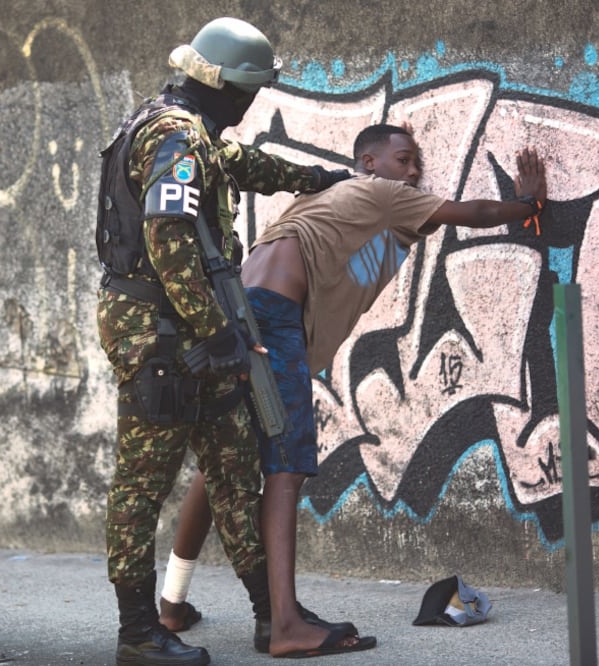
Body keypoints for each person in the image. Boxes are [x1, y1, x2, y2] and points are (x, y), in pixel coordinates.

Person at [160, 123, 548, 658]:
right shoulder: (379, 194)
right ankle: (287, 625)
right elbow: (475, 214)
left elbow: (364, 265)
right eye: (404, 159)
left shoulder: (332, 199)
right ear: (369, 163)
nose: (413, 172)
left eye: (417, 164)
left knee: (220, 461)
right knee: (287, 466)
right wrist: (526, 205)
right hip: (273, 319)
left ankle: (172, 604)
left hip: (237, 312)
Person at [95, 17, 355, 666]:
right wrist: (217, 334)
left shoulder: (182, 128)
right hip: (161, 337)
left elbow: (240, 163)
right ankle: (137, 633)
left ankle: (275, 619)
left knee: (235, 473)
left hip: (195, 334)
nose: (251, 105)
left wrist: (316, 180)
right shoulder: (177, 137)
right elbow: (169, 234)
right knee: (141, 485)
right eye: (251, 92)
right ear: (232, 89)